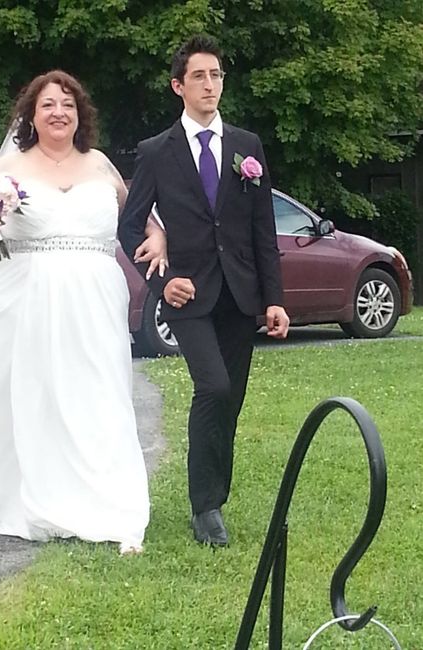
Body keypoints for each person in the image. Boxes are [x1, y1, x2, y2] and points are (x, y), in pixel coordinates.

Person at [0, 70, 166, 554]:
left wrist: (159, 236)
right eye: (47, 105)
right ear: (31, 115)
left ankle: (104, 501)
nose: (59, 112)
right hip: (24, 299)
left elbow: (139, 219)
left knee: (96, 394)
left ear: (80, 114)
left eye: (67, 104)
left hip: (95, 302)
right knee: (18, 391)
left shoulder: (100, 165)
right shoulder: (9, 169)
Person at [118, 35, 290, 547]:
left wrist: (274, 299)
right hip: (188, 296)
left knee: (229, 398)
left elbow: (262, 230)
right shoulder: (156, 152)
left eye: (216, 75)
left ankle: (216, 496)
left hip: (240, 294)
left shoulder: (247, 146)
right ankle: (205, 508)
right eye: (199, 76)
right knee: (212, 387)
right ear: (179, 86)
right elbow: (130, 227)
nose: (210, 84)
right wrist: (161, 281)